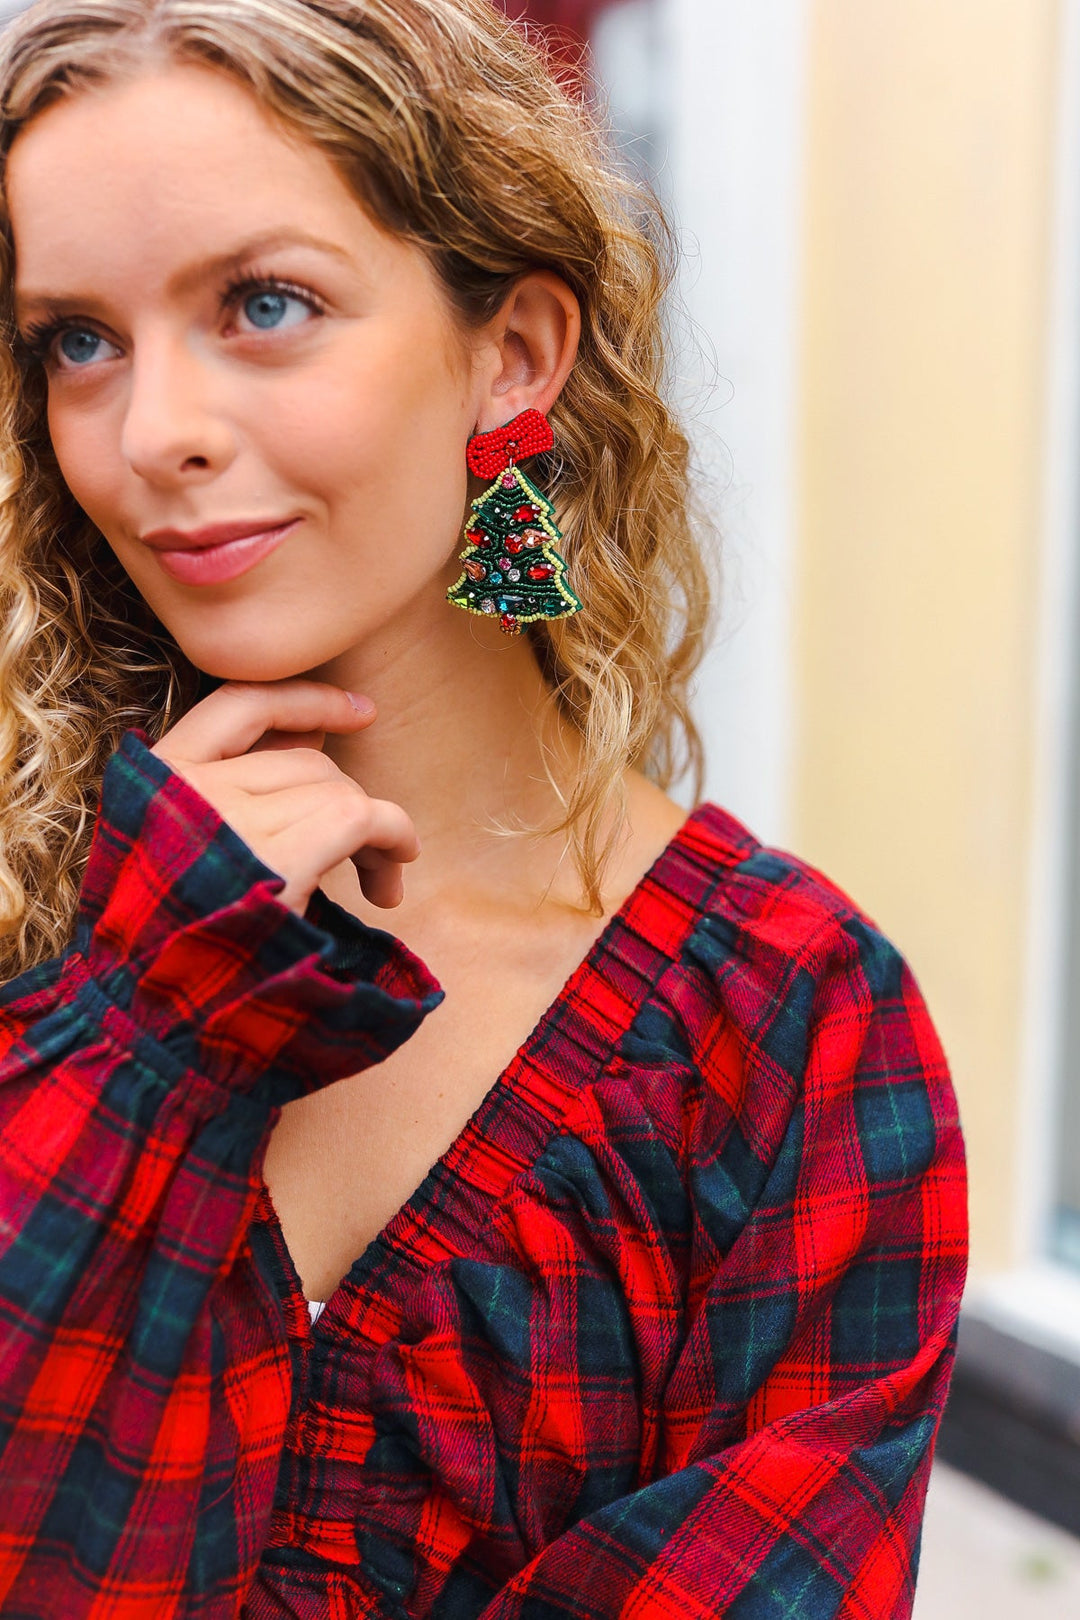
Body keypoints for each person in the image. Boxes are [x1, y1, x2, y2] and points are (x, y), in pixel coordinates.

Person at [0, 0, 967, 1615]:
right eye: (74, 340)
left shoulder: (785, 1028)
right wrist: (143, 1029)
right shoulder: (42, 923)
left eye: (263, 303)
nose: (150, 431)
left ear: (510, 351)